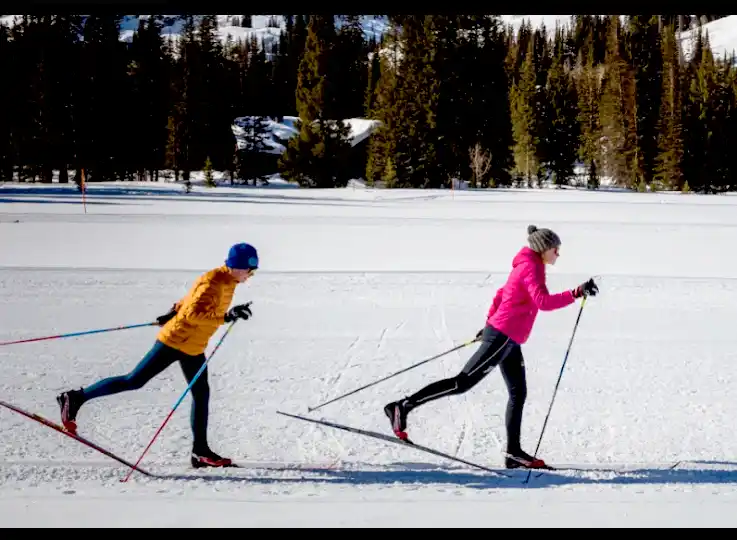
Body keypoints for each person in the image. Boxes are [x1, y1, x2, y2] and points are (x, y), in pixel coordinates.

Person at [383, 225, 598, 470]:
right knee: (461, 383)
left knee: (518, 393)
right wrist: (576, 292)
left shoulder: (526, 265)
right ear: (543, 249)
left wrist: (488, 324)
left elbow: (501, 294)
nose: (558, 254)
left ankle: (514, 453)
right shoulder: (531, 266)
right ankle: (402, 407)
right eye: (555, 249)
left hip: (509, 339)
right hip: (503, 337)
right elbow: (543, 302)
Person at [56, 242, 259, 469]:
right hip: (176, 341)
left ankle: (200, 451)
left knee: (201, 394)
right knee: (134, 380)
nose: (250, 275)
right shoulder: (213, 282)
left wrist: (172, 310)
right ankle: (75, 398)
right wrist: (225, 317)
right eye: (248, 270)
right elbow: (193, 313)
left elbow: (188, 301)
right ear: (235, 266)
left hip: (193, 346)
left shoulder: (227, 281)